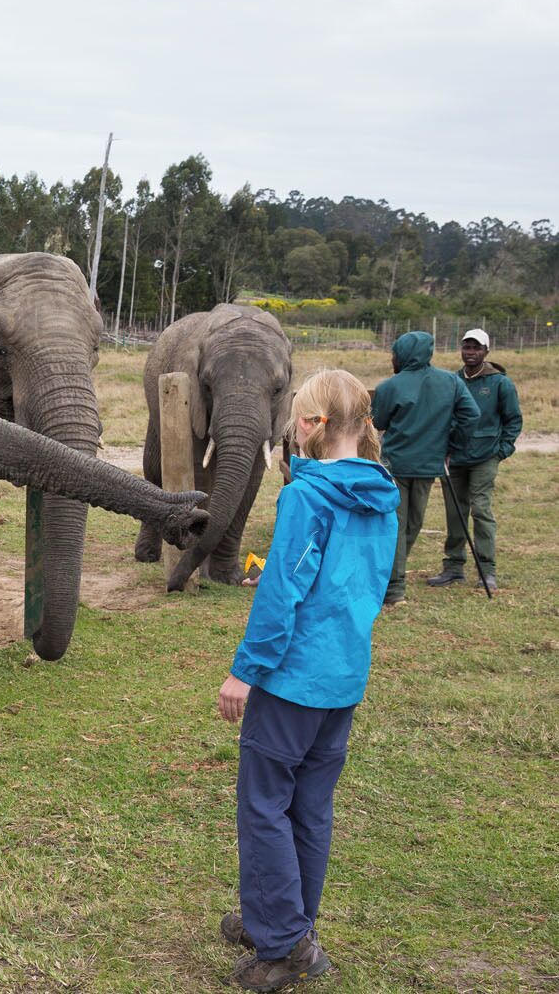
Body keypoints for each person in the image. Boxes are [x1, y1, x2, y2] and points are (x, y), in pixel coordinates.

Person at [216, 369, 399, 992]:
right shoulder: (383, 496)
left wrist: (246, 671)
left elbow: (283, 592)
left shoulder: (306, 496)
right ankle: (284, 920)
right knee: (309, 808)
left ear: (310, 425)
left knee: (265, 805)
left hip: (293, 680)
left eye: (295, 414)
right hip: (344, 676)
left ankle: (287, 945)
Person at [370, 331, 479, 606]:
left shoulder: (389, 386)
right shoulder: (451, 382)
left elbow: (379, 421)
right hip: (430, 465)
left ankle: (392, 586)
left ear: (403, 354)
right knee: (413, 523)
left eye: (394, 353)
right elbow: (472, 415)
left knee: (396, 524)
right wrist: (452, 443)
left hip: (395, 465)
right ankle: (392, 580)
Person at [427, 328, 522, 592]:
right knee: (455, 512)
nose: (471, 353)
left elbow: (513, 420)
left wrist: (502, 450)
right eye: (467, 347)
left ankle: (487, 569)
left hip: (485, 457)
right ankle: (454, 567)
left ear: (486, 351)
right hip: (454, 458)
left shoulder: (500, 383)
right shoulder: (452, 380)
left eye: (476, 348)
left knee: (481, 510)